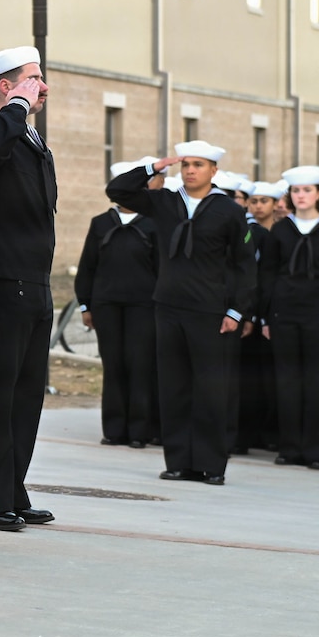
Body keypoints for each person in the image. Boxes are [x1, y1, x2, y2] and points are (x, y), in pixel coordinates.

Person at [106, 141, 255, 486]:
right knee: (174, 388)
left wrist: (236, 310)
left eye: (198, 165)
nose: (190, 170)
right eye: (186, 164)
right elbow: (117, 190)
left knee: (210, 390)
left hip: (210, 311)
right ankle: (178, 462)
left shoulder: (228, 210)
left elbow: (244, 265)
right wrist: (154, 167)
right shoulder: (165, 202)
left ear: (214, 170)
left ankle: (211, 465)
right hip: (168, 307)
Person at [0, 46, 56, 531]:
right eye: (34, 79)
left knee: (26, 397)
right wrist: (16, 109)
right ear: (7, 86)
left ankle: (12, 488)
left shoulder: (32, 138)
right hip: (0, 281)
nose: (44, 88)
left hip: (34, 282)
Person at [260, 167, 319, 471]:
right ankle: (289, 448)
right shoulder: (281, 230)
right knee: (287, 381)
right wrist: (266, 316)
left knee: (317, 381)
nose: (301, 196)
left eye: (307, 190)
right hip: (284, 312)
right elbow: (268, 274)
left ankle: (316, 450)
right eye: (296, 191)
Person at [78, 162, 162, 450]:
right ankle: (114, 430)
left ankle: (139, 431)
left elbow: (161, 268)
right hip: (106, 305)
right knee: (113, 365)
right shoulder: (101, 223)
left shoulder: (153, 223)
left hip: (143, 306)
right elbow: (87, 267)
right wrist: (85, 305)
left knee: (140, 366)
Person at [235, 181, 280, 455]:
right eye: (254, 201)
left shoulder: (278, 233)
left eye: (265, 201)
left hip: (267, 314)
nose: (258, 206)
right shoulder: (248, 231)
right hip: (246, 311)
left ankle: (268, 431)